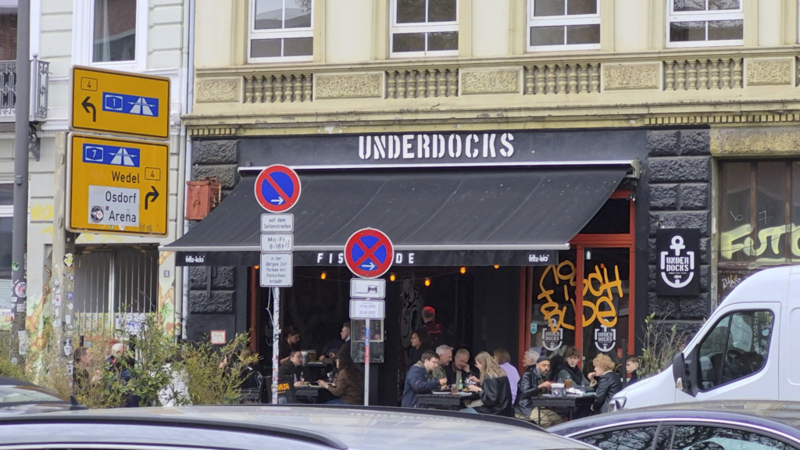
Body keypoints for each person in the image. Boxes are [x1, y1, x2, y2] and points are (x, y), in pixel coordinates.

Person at [515, 352, 562, 427]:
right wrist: (539, 386)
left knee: (558, 420)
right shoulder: (528, 375)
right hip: (525, 407)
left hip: (538, 405)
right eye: (544, 365)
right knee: (545, 421)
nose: (546, 368)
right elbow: (524, 393)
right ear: (537, 365)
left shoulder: (543, 375)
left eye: (548, 366)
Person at [464, 351, 513, 416]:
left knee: (462, 412)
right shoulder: (500, 373)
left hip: (493, 412)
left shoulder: (489, 377)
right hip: (504, 410)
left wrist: (477, 389)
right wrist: (479, 381)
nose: (477, 366)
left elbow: (490, 400)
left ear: (483, 364)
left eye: (477, 364)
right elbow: (496, 388)